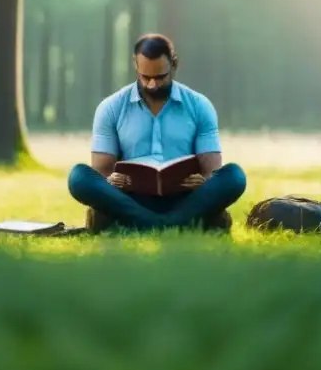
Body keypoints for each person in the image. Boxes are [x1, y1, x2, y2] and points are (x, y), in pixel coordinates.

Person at [67, 33, 247, 233]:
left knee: (235, 175)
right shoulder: (111, 107)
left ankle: (148, 223)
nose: (152, 85)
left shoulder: (199, 105)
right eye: (146, 77)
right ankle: (169, 224)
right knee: (79, 177)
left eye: (160, 77)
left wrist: (202, 182)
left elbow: (212, 170)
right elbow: (101, 171)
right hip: (129, 198)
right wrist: (111, 180)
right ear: (136, 65)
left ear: (174, 65)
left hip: (185, 198)